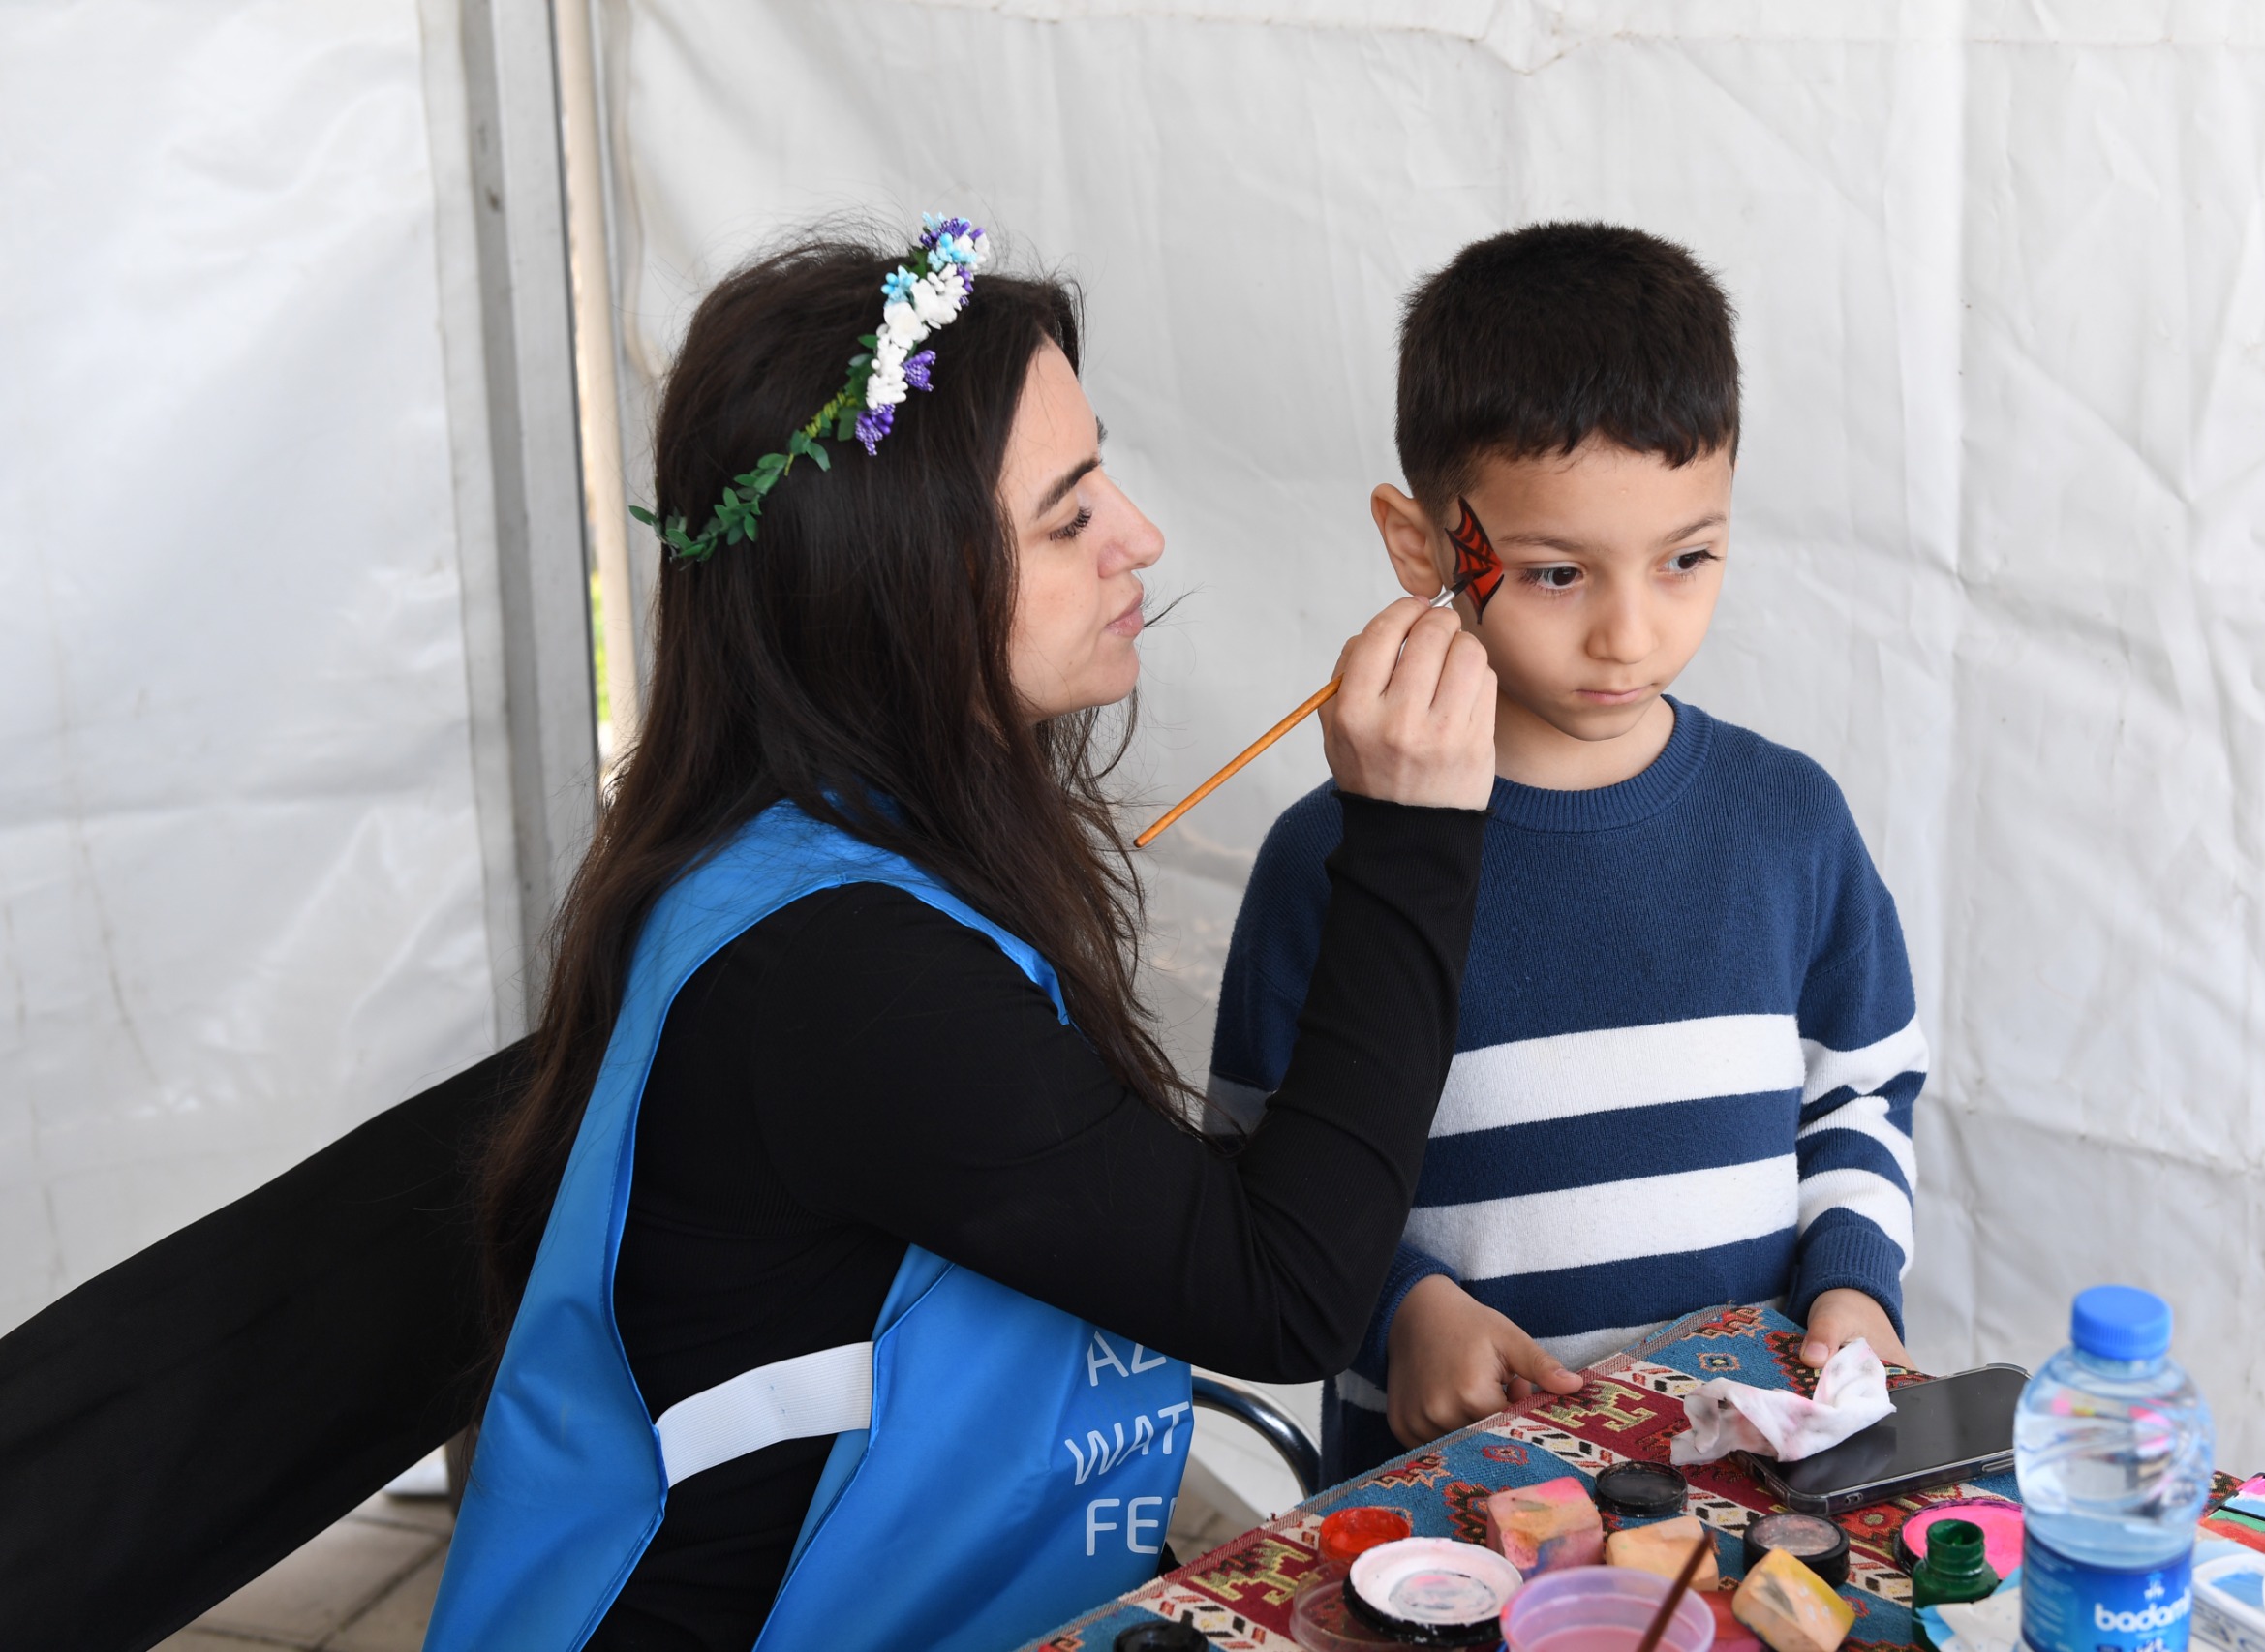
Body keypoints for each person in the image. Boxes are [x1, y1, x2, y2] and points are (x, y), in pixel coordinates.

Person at [423, 221, 1499, 1652]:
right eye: (1067, 516)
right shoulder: (842, 980)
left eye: (1102, 473)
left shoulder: (817, 847)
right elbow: (1281, 1291)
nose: (1139, 536)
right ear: (894, 581)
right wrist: (1413, 837)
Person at [1209, 222, 1927, 1488]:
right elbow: (1259, 1173)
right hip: (1449, 1511)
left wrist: (1855, 1285)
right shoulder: (1334, 862)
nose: (1630, 634)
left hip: (1747, 1487)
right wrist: (1399, 1310)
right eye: (1556, 573)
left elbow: (1860, 1096)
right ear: (1424, 547)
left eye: (1687, 559)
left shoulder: (1791, 823)